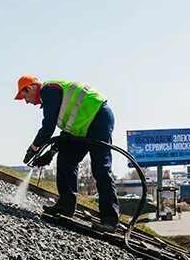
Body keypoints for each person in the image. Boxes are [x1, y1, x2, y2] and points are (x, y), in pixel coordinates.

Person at [15, 75, 119, 232]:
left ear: (30, 88)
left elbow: (48, 126)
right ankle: (66, 205)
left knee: (101, 168)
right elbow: (67, 130)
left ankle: (110, 220)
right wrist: (52, 151)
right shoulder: (55, 95)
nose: (27, 102)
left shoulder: (48, 90)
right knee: (66, 159)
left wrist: (33, 148)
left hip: (98, 118)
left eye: (25, 97)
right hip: (82, 126)